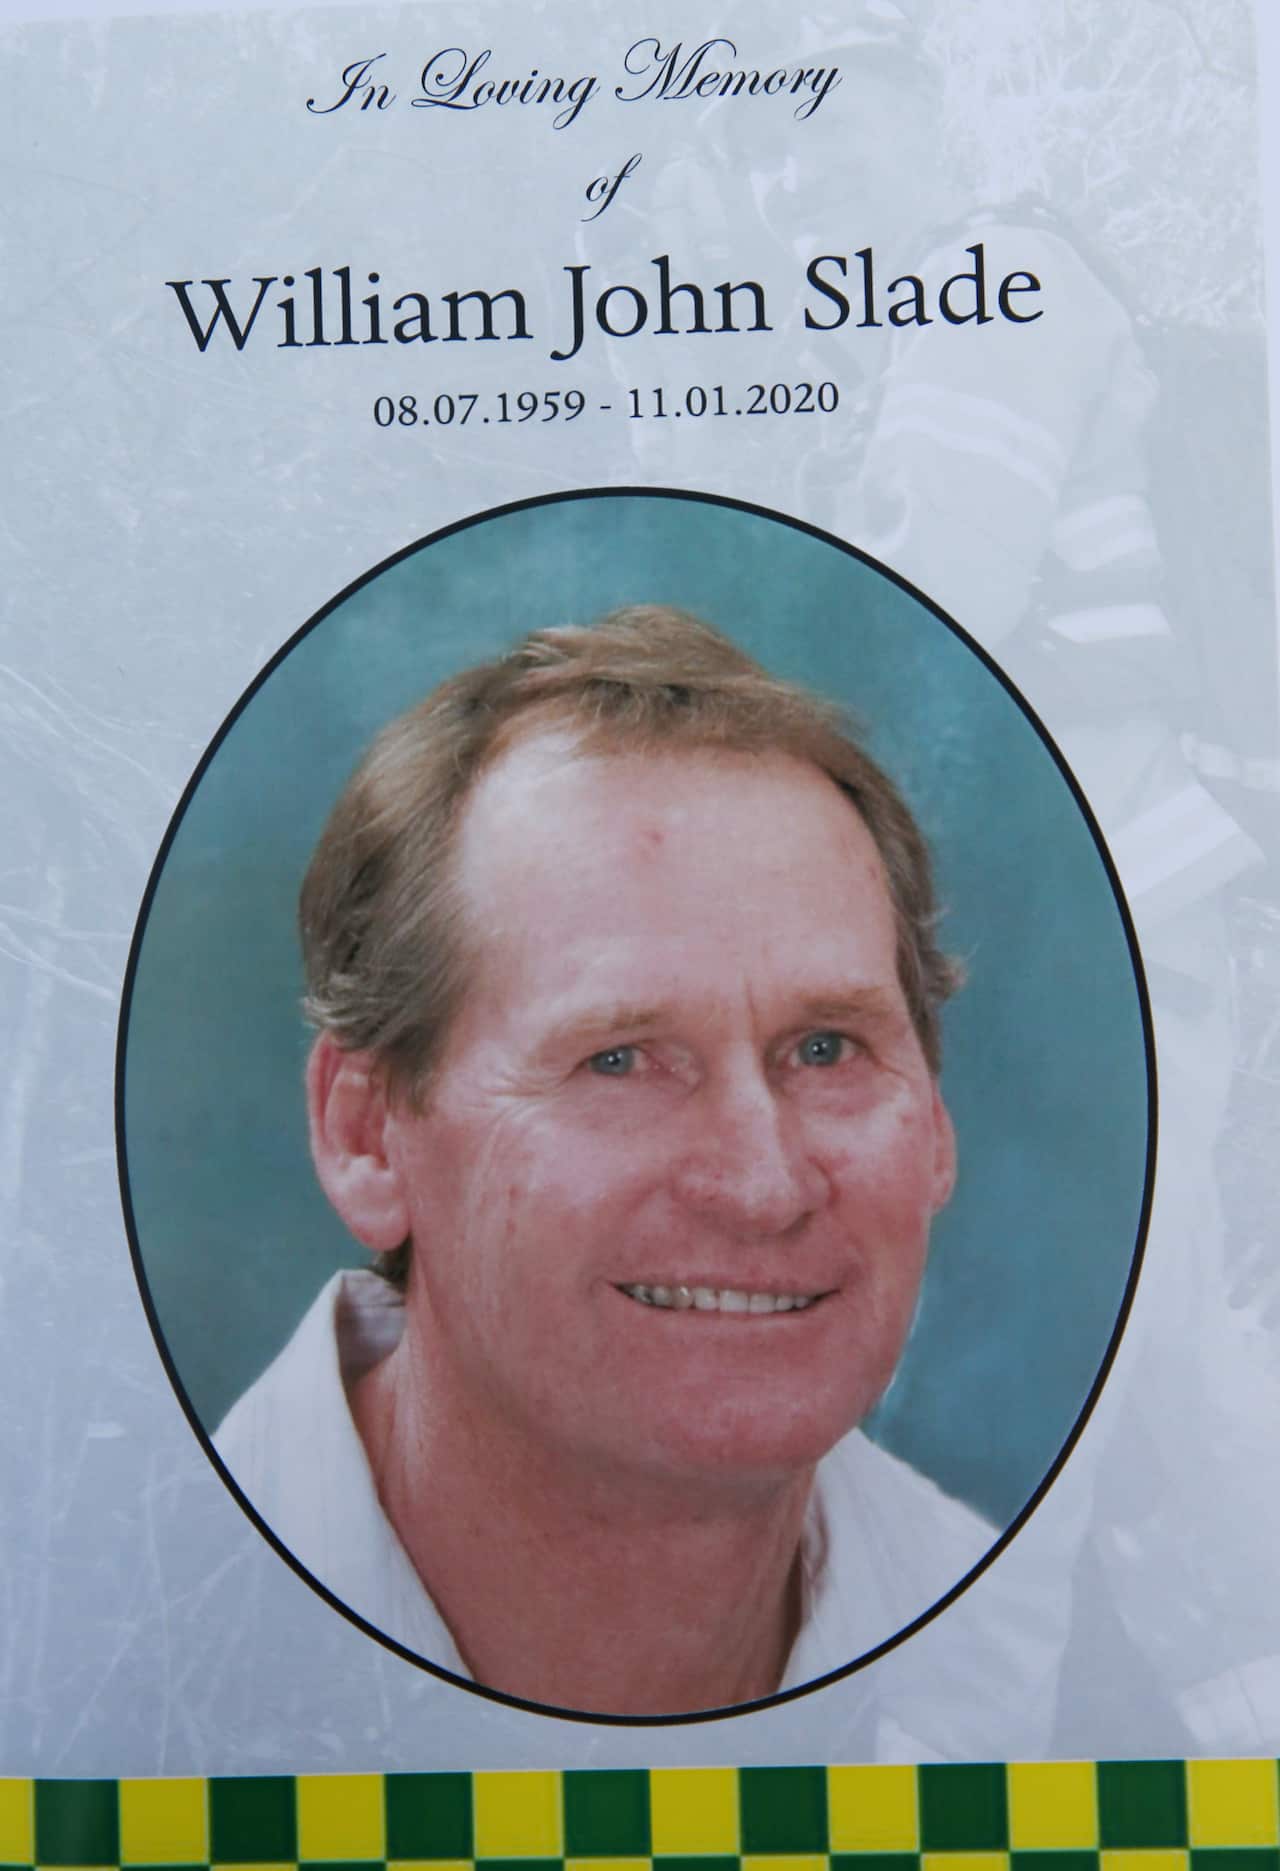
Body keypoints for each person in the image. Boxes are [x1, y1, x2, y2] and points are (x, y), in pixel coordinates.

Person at [215, 604, 992, 1717]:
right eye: (619, 1059)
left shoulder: (1036, 1673)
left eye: (826, 1048)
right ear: (366, 1133)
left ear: (934, 1125)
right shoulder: (100, 1634)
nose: (761, 1184)